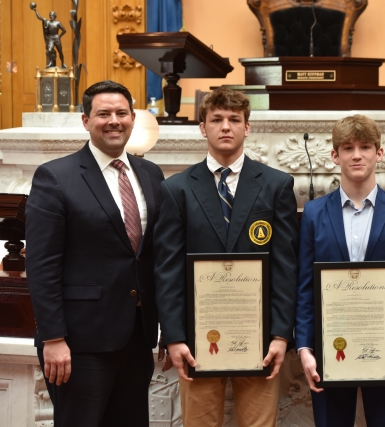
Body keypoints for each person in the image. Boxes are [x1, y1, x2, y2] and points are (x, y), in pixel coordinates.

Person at [154, 87, 299, 427]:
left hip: (259, 337)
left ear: (247, 128)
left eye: (234, 119)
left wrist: (280, 334)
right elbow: (168, 270)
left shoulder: (276, 185)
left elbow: (284, 266)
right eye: (216, 119)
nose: (225, 127)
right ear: (202, 127)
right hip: (197, 339)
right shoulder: (177, 190)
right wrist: (174, 336)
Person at [26, 80, 165, 426]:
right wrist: (53, 338)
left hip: (137, 334)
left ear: (134, 118)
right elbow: (41, 265)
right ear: (86, 121)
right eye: (103, 114)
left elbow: (154, 255)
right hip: (79, 341)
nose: (113, 120)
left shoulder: (150, 174)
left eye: (121, 113)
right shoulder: (56, 177)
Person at [295, 114, 385, 426]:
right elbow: (304, 286)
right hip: (329, 347)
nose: (357, 155)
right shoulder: (313, 213)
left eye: (365, 147)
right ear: (334, 155)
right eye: (348, 148)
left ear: (379, 153)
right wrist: (304, 347)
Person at [30, 4, 67, 68]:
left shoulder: (58, 23)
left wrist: (60, 36)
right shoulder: (48, 22)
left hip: (56, 37)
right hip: (51, 38)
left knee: (60, 51)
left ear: (55, 16)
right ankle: (50, 62)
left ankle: (63, 63)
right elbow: (40, 17)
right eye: (50, 15)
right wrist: (35, 10)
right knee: (49, 50)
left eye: (52, 15)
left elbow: (64, 30)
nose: (51, 16)